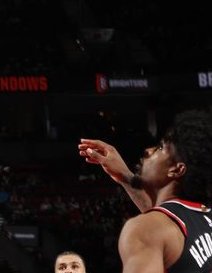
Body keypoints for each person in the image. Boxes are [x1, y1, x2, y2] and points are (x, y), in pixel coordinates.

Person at [79, 110, 212, 272]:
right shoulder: (204, 218)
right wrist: (126, 177)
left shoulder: (143, 229)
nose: (148, 150)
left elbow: (155, 227)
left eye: (161, 148)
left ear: (176, 170)